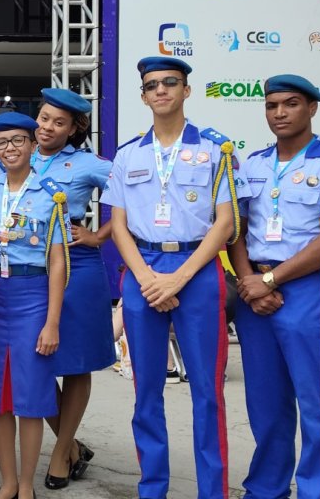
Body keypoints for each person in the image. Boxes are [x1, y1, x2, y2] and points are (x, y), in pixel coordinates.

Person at [101, 56, 238, 499]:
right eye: (152, 85)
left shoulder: (218, 149)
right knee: (146, 393)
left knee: (207, 393)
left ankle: (212, 491)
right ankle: (152, 488)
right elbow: (117, 224)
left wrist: (178, 278)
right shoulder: (128, 154)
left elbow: (225, 223)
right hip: (142, 273)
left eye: (170, 82)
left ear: (186, 91)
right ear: (143, 96)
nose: (161, 90)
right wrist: (146, 278)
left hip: (196, 273)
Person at [228, 74, 320, 499]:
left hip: (304, 291)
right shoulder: (253, 164)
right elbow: (236, 230)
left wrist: (269, 280)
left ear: (312, 108)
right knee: (265, 403)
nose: (279, 113)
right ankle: (266, 488)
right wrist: (250, 281)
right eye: (271, 106)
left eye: (291, 104)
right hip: (255, 293)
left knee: (317, 404)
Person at [0, 112, 68, 499]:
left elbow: (59, 261)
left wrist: (52, 323)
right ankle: (8, 481)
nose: (9, 149)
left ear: (32, 145)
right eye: (2, 143)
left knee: (31, 398)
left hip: (32, 296)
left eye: (17, 141)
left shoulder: (51, 194)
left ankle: (27, 485)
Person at [32, 88, 113, 490]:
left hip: (77, 266)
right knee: (33, 360)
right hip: (28, 269)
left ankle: (63, 451)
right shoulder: (18, 153)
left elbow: (138, 194)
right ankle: (75, 445)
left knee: (77, 362)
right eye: (44, 118)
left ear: (74, 128)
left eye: (58, 122)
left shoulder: (87, 164)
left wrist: (100, 235)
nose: (47, 127)